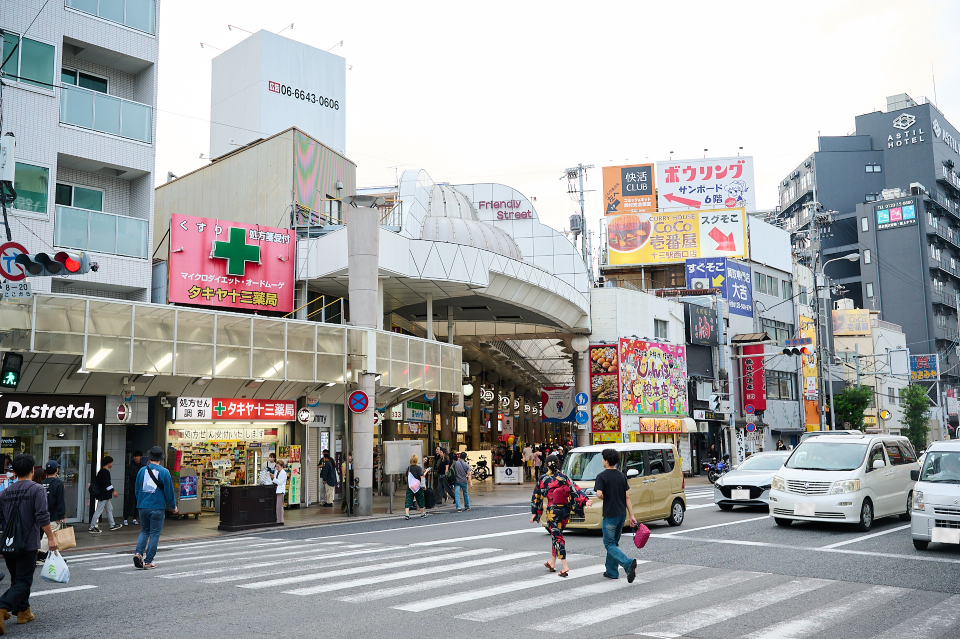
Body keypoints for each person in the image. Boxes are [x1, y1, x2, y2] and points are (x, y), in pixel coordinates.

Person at [0, 454, 58, 629]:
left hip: (9, 542)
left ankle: (23, 612)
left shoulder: (5, 492)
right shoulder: (37, 489)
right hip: (28, 542)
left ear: (15, 471)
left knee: (17, 579)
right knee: (23, 581)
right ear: (33, 469)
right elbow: (42, 515)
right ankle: (2, 606)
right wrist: (51, 537)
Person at [530, 453, 590, 577]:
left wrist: (535, 512)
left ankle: (564, 566)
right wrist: (585, 500)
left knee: (557, 537)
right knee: (556, 535)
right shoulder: (564, 477)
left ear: (546, 465)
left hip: (553, 511)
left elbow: (537, 496)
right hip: (565, 510)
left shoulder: (544, 479)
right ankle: (552, 562)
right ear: (558, 464)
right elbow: (575, 489)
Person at [594, 448, 639, 582]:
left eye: (603, 459)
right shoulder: (621, 476)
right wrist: (632, 515)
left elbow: (599, 494)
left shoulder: (602, 476)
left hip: (610, 514)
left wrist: (607, 496)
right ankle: (612, 571)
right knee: (614, 543)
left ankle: (628, 563)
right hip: (621, 514)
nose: (602, 461)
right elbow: (627, 497)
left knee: (609, 544)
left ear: (607, 461)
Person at [133, 446, 178, 570]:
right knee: (154, 534)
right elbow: (169, 491)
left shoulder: (142, 471)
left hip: (143, 505)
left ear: (149, 457)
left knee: (144, 531)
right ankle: (148, 561)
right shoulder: (164, 472)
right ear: (161, 458)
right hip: (157, 507)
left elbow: (137, 489)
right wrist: (173, 505)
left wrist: (140, 501)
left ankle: (138, 553)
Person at [38, 460, 66, 565]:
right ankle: (39, 555)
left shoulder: (42, 483)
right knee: (48, 537)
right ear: (56, 470)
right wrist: (62, 515)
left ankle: (55, 557)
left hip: (43, 513)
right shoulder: (58, 483)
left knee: (52, 536)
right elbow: (60, 500)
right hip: (54, 515)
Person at [89, 456, 120, 533]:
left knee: (109, 509)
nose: (112, 464)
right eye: (111, 462)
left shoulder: (101, 472)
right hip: (104, 495)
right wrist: (113, 491)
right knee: (99, 510)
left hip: (104, 494)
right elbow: (107, 483)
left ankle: (112, 524)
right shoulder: (105, 472)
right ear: (108, 463)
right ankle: (92, 527)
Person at [404, 454, 430, 520]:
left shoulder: (409, 468)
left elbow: (407, 475)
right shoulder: (418, 468)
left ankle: (407, 514)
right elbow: (422, 476)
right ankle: (422, 513)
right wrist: (426, 472)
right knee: (420, 499)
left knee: (408, 499)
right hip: (418, 487)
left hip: (410, 486)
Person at [123, 451, 143, 526]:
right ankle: (125, 519)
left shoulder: (143, 466)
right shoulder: (131, 466)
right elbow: (131, 475)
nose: (136, 458)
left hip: (140, 488)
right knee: (130, 503)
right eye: (135, 456)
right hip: (132, 487)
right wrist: (139, 477)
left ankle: (135, 518)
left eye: (137, 456)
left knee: (137, 504)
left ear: (140, 457)